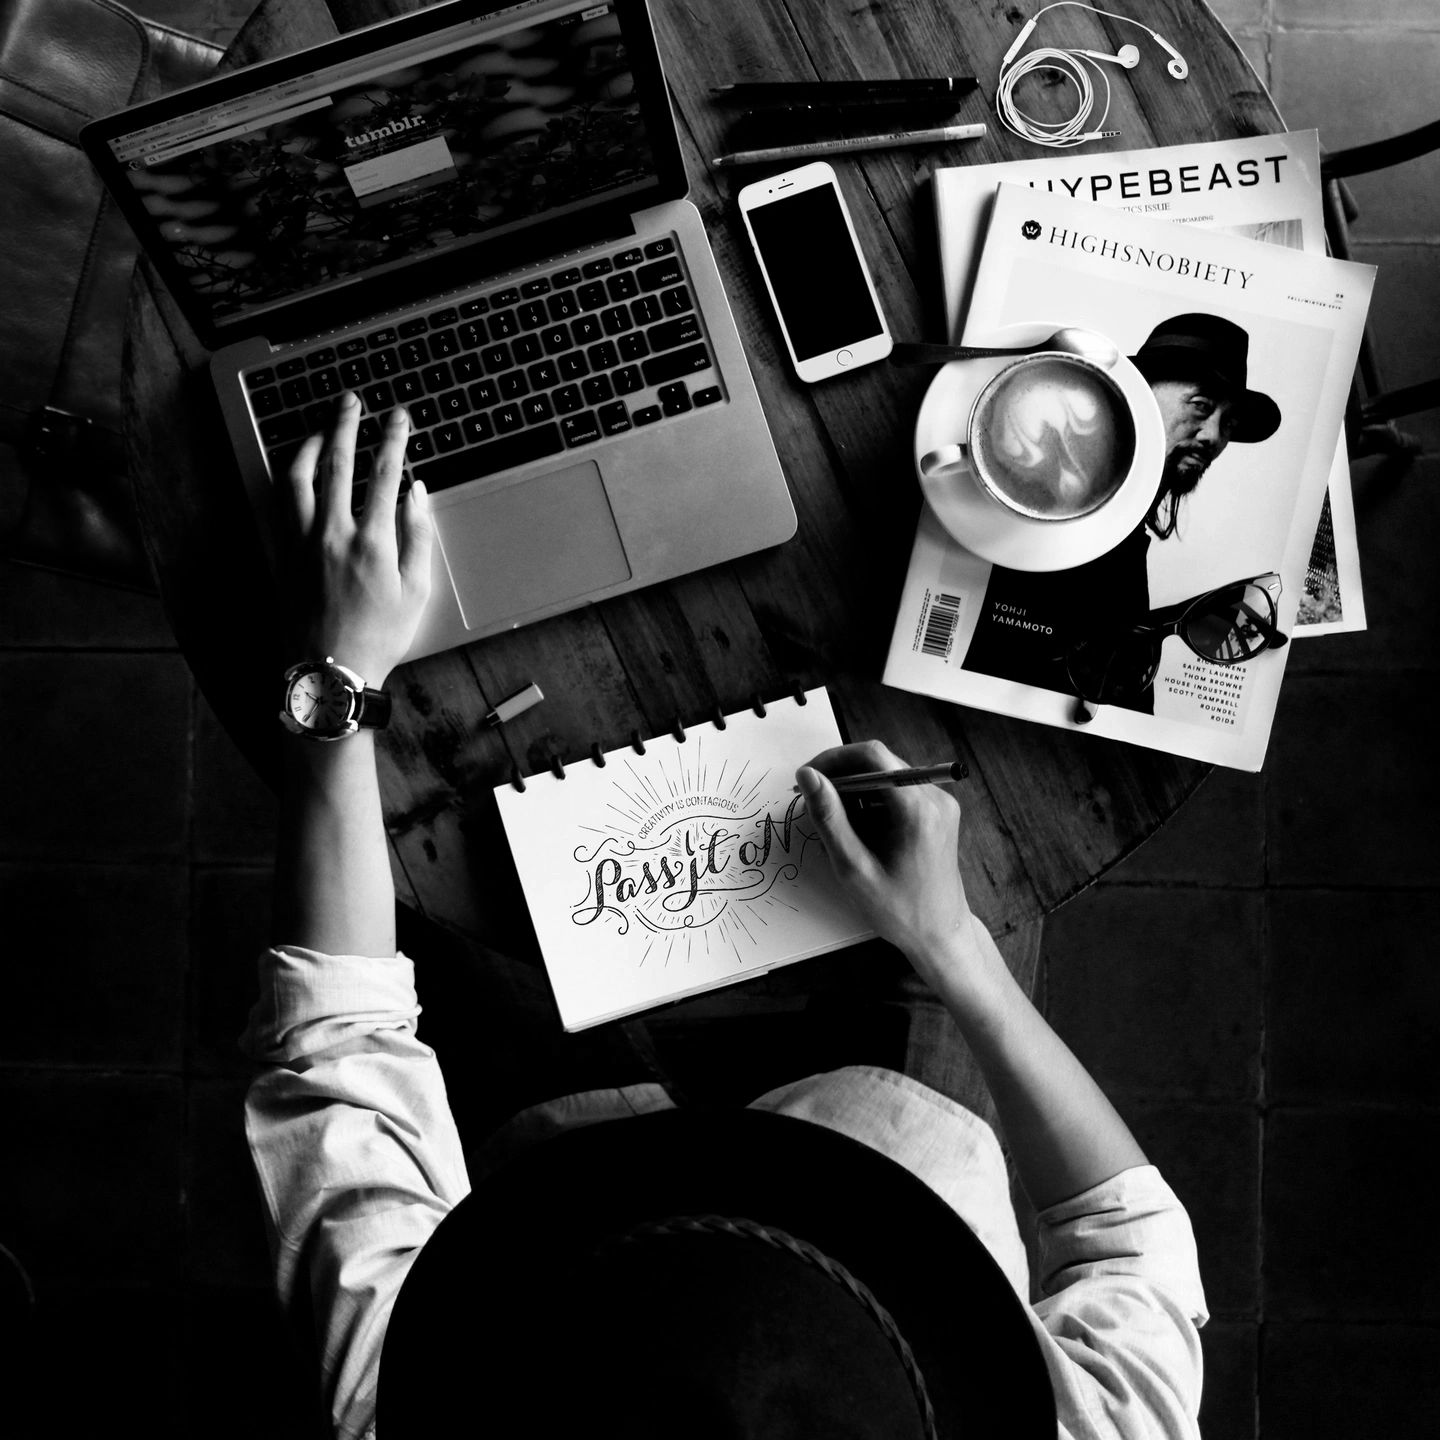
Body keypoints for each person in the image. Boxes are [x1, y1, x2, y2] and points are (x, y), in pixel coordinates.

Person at [243, 392, 1208, 1439]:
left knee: (457, 886)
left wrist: (337, 679)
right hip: (905, 1139)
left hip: (565, 1175)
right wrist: (951, 943)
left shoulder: (413, 1398)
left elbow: (337, 1044)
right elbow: (1127, 1239)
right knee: (963, 801)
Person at [960, 312, 1281, 712]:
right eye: (1201, 406)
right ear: (1141, 393)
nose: (1214, 436)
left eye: (1229, 422)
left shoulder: (1127, 538)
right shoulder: (1063, 513)